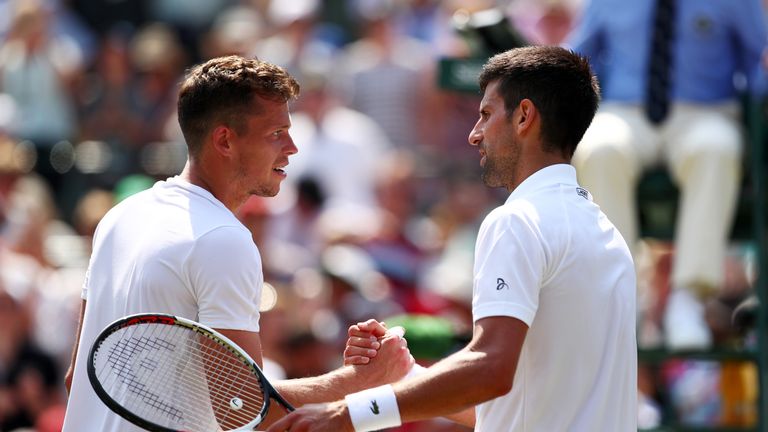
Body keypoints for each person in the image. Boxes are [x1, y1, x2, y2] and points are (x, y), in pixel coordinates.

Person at [266, 45, 638, 432]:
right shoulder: (607, 235)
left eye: (486, 115)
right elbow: (506, 410)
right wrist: (405, 375)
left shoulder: (517, 221)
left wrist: (348, 413)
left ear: (524, 116)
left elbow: (491, 369)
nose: (475, 135)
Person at [60, 55, 413, 432]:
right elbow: (244, 410)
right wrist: (360, 381)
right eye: (276, 133)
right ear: (225, 141)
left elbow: (75, 378)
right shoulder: (223, 240)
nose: (293, 147)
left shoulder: (121, 216)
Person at [565, 0, 768, 350]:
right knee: (600, 148)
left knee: (716, 148)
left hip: (707, 112)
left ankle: (689, 301)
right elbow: (577, 57)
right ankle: (623, 301)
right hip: (625, 111)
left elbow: (758, 58)